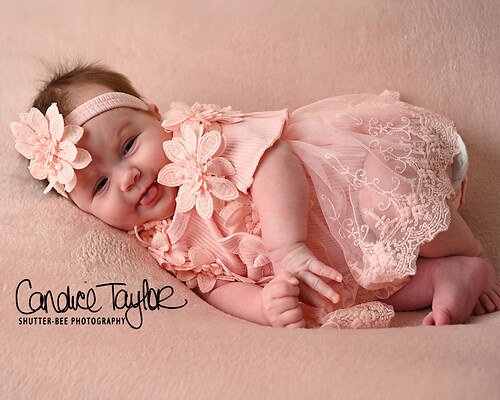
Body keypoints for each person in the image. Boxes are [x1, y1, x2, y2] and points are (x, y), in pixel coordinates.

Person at [11, 62, 500, 328]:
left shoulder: (203, 139)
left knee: (389, 206)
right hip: (329, 260)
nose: (127, 178)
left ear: (158, 118)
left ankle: (470, 250)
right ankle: (450, 274)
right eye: (99, 186)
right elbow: (214, 287)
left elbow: (275, 160)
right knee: (337, 296)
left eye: (129, 146)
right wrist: (263, 304)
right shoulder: (160, 244)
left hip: (349, 182)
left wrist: (287, 246)